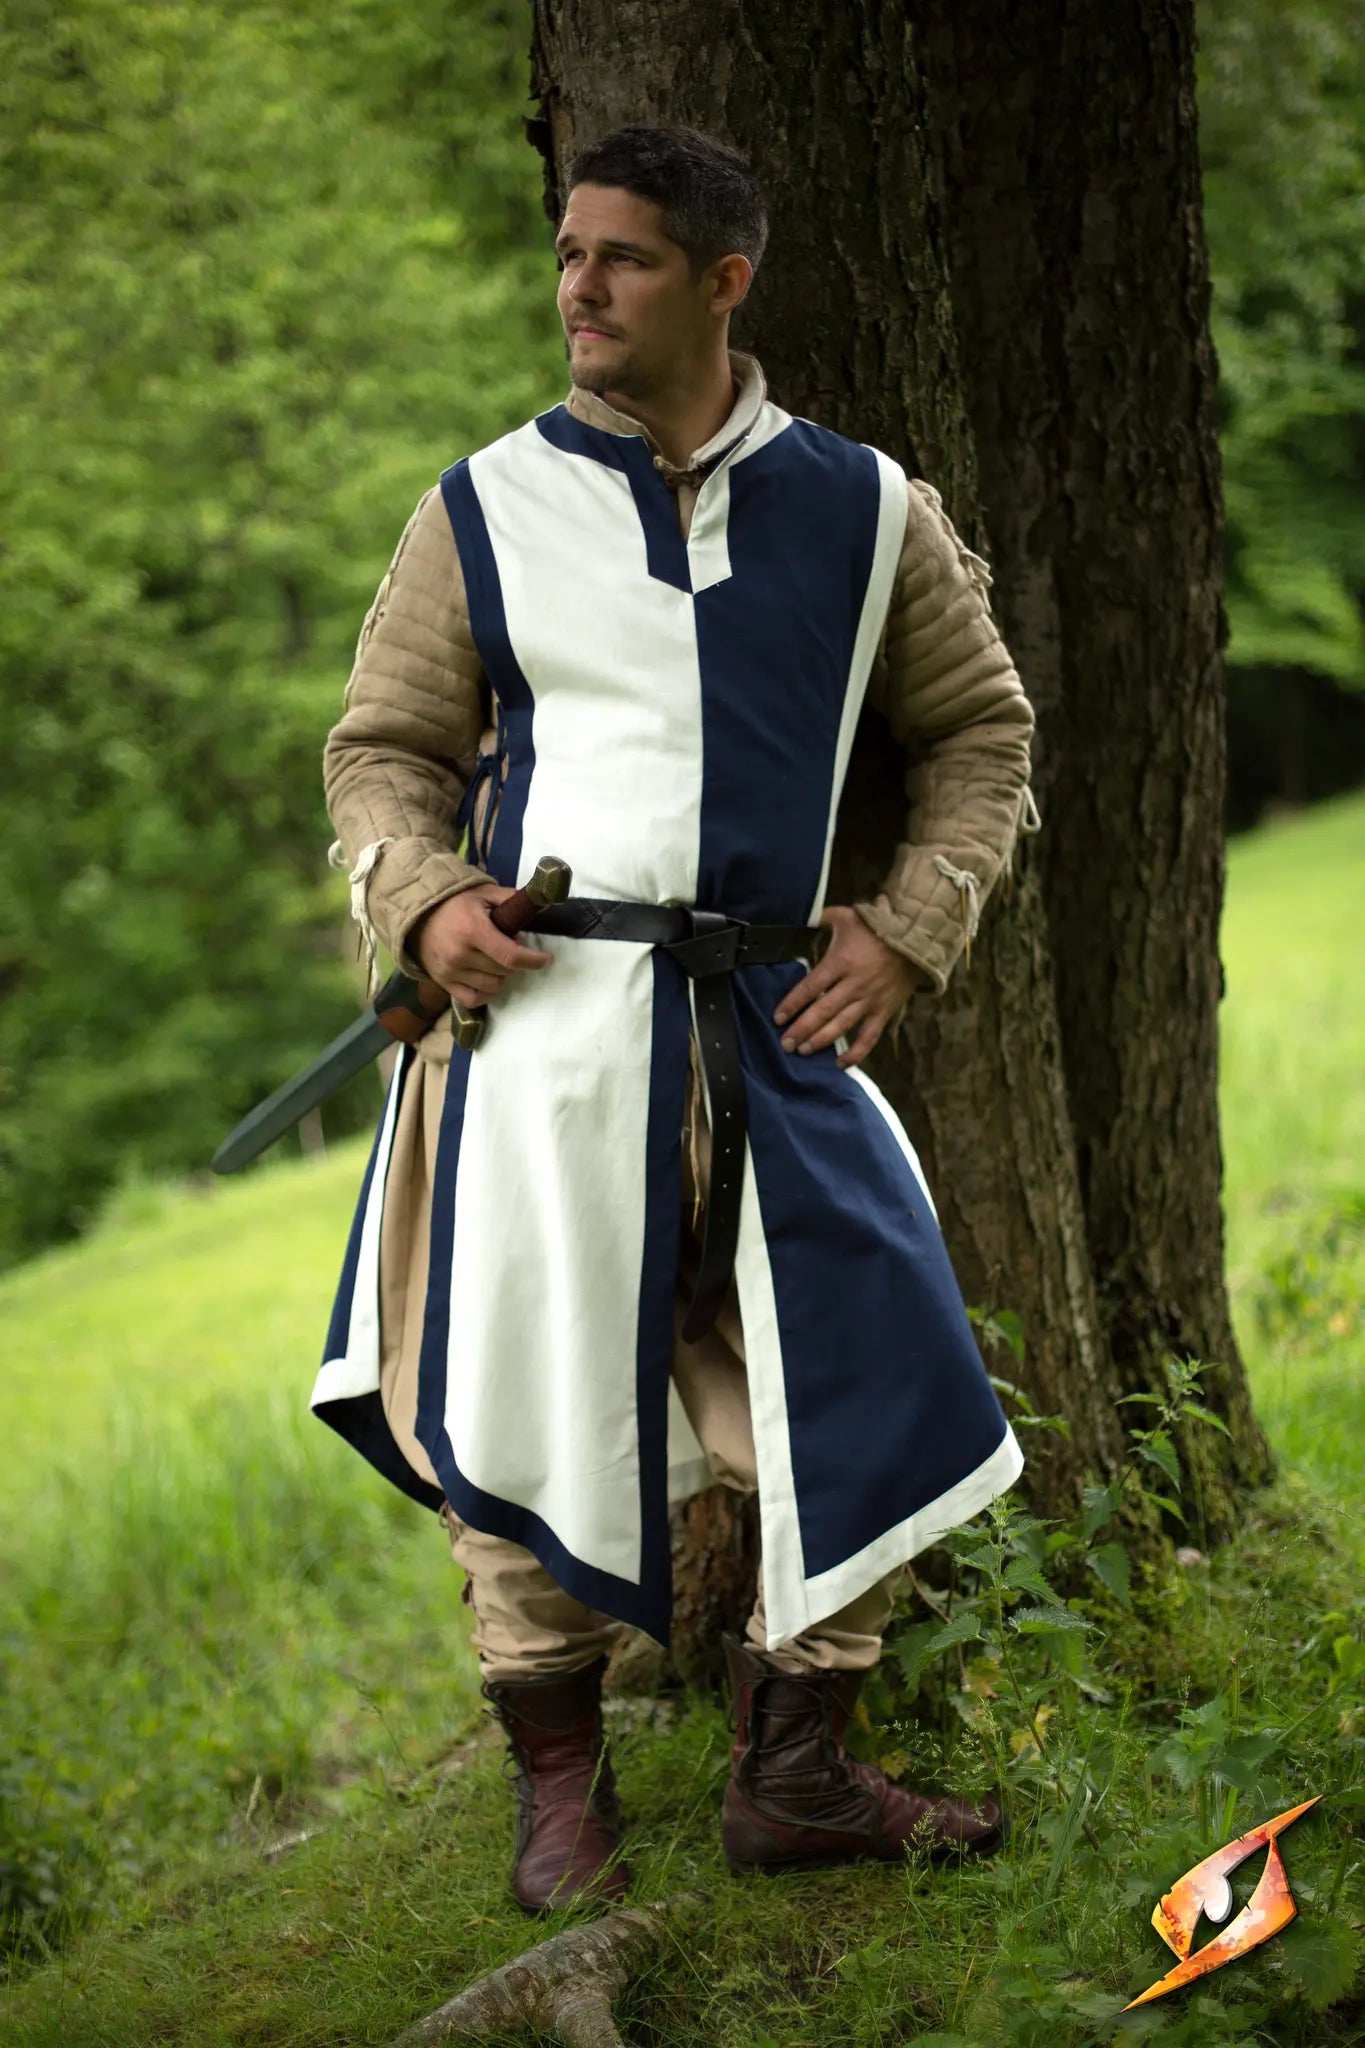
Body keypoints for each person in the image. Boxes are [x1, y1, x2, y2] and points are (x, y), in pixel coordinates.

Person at [317, 122, 1041, 1916]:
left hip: (775, 1026)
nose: (579, 287)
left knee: (872, 1383)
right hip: (545, 1040)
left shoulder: (867, 509)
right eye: (569, 253)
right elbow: (381, 756)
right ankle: (556, 1790)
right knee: (530, 1392)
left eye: (623, 258)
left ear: (723, 281)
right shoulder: (479, 507)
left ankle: (795, 1775)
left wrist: (909, 926)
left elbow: (981, 735)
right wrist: (425, 899)